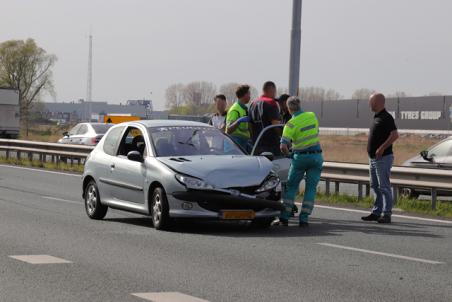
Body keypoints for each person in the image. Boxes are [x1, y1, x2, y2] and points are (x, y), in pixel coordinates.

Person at [279, 96, 323, 227]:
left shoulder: (290, 124)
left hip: (300, 157)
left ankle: (285, 217)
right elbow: (316, 132)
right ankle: (304, 219)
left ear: (288, 108)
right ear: (300, 105)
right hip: (316, 157)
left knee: (291, 187)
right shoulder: (312, 116)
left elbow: (283, 146)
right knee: (311, 188)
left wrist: (289, 155)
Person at [362, 93, 399, 224]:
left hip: (383, 158)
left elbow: (395, 135)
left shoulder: (386, 117)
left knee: (384, 187)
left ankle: (387, 214)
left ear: (377, 102)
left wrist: (382, 147)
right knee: (375, 186)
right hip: (373, 159)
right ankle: (376, 212)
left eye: (370, 101)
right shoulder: (377, 117)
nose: (369, 104)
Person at [249, 81, 281, 155]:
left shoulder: (252, 104)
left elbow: (249, 125)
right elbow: (275, 125)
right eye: (275, 91)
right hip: (270, 144)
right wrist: (284, 137)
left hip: (256, 144)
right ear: (272, 90)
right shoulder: (271, 103)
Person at [226, 85, 251, 151]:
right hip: (234, 143)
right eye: (249, 94)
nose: (250, 97)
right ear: (245, 95)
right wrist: (238, 121)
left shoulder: (244, 108)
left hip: (243, 142)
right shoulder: (235, 109)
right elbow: (228, 130)